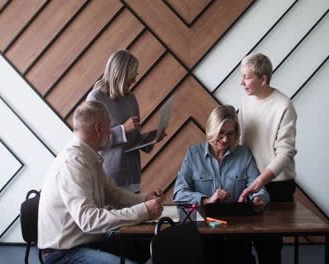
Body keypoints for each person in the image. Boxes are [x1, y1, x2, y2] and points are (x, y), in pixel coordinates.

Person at [38, 101, 164, 264]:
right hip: (63, 253)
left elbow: (113, 194)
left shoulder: (88, 156)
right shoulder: (73, 163)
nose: (111, 131)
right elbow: (89, 220)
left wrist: (144, 199)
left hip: (88, 241)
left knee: (157, 247)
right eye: (109, 125)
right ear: (99, 129)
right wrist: (143, 211)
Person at [173, 105, 270, 264]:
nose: (225, 140)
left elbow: (259, 188)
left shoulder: (243, 154)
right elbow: (179, 193)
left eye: (230, 134)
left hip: (236, 233)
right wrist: (206, 200)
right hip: (203, 234)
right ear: (211, 130)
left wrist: (258, 199)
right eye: (221, 133)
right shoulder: (193, 154)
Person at [238, 53, 298, 263]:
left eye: (246, 77)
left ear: (263, 79)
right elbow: (242, 143)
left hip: (276, 185)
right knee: (241, 245)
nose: (241, 82)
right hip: (248, 183)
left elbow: (285, 152)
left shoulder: (283, 105)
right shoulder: (246, 101)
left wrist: (260, 181)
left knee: (269, 248)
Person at [87, 49, 164, 193]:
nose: (134, 81)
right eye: (131, 76)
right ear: (120, 74)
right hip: (110, 178)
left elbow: (134, 138)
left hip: (133, 175)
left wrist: (152, 139)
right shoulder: (96, 98)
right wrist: (123, 129)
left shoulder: (131, 99)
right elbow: (93, 140)